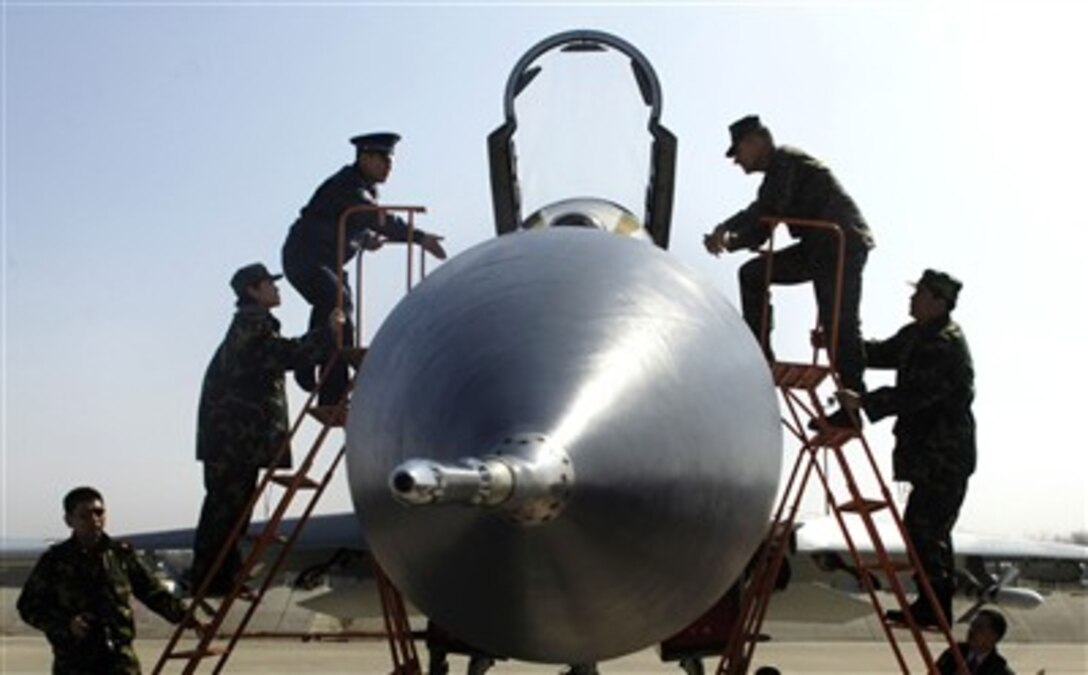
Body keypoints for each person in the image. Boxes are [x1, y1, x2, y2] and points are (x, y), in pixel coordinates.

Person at [703, 115, 874, 427]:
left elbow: (764, 215)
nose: (737, 162)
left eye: (738, 152)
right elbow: (760, 223)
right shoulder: (776, 174)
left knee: (839, 326)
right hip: (818, 247)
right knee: (753, 274)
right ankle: (761, 356)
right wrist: (728, 237)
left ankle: (852, 408)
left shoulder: (785, 162)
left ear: (756, 141)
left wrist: (726, 233)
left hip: (841, 244)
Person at [191, 263, 342, 596]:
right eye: (269, 285)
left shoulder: (251, 325)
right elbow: (283, 355)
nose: (277, 290)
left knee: (231, 511)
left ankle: (220, 576)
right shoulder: (250, 326)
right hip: (234, 440)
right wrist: (327, 333)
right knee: (225, 511)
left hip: (233, 439)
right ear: (252, 291)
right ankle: (211, 579)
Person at [837, 269, 974, 627]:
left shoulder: (944, 343)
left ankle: (935, 608)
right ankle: (931, 606)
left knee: (926, 530)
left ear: (938, 301)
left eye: (920, 294)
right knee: (922, 530)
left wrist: (863, 402)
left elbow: (917, 395)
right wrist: (843, 344)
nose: (912, 299)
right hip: (929, 456)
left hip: (945, 457)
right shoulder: (918, 334)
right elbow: (882, 353)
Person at [282, 131, 447, 405]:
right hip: (306, 257)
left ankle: (331, 392)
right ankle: (309, 368)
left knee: (339, 313)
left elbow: (349, 223)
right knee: (337, 300)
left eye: (390, 161)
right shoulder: (348, 186)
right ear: (365, 157)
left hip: (325, 260)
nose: (389, 166)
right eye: (383, 159)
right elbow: (375, 217)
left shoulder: (360, 190)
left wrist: (365, 240)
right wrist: (419, 238)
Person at [17, 486, 198, 673]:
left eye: (99, 513)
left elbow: (152, 592)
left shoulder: (120, 555)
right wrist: (65, 624)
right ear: (69, 520)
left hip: (120, 661)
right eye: (84, 515)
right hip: (75, 663)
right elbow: (28, 606)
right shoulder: (55, 560)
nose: (94, 520)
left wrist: (190, 620)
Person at [936, 609, 1015, 674]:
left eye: (979, 627)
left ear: (994, 636)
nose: (972, 630)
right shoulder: (953, 653)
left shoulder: (1000, 671)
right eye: (972, 625)